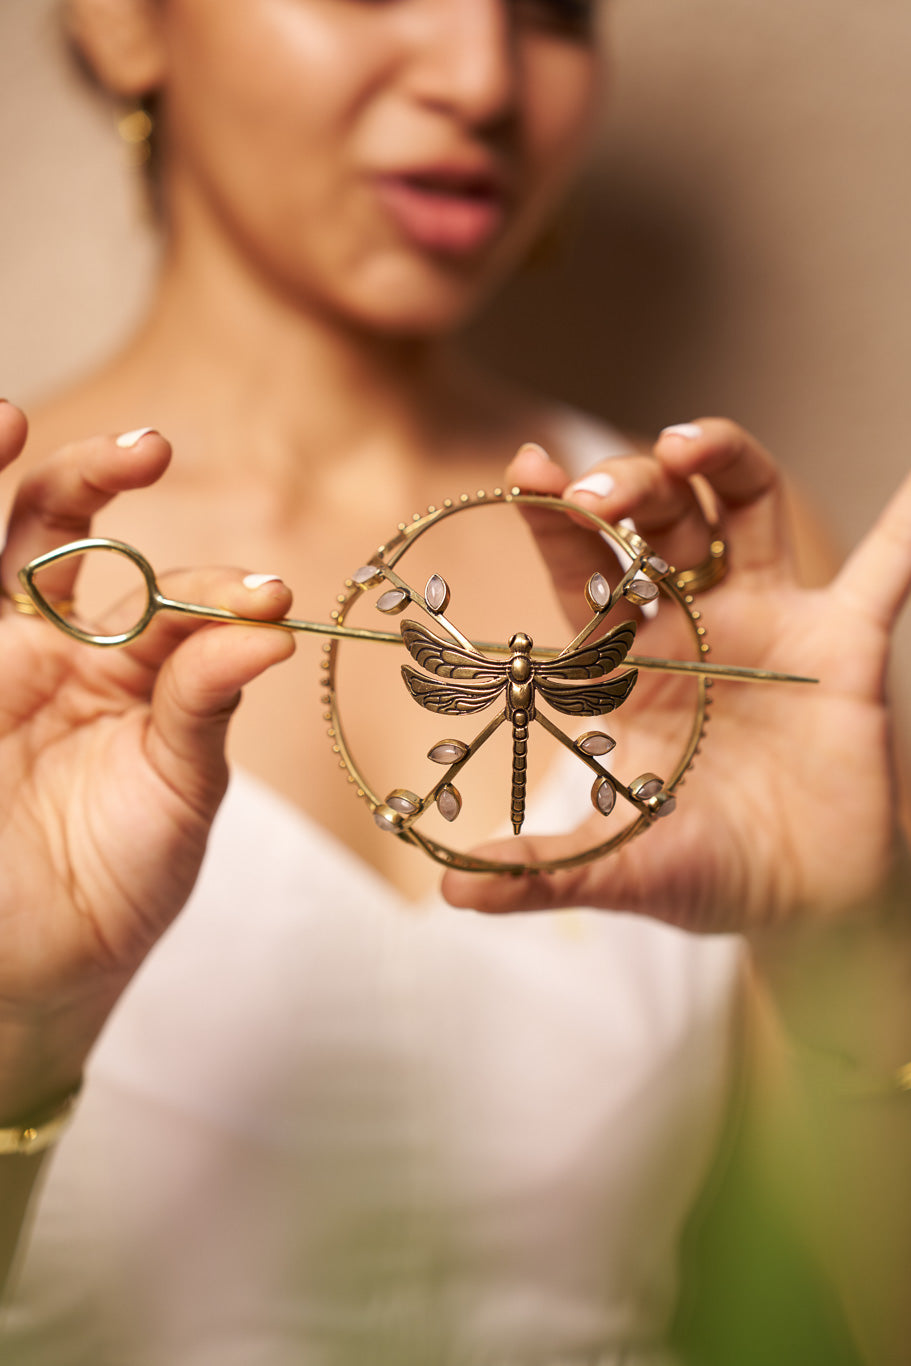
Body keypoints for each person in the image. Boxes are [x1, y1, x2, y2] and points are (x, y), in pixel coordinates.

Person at [0, 1, 909, 1362]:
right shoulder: (20, 602)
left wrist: (848, 948)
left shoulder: (729, 593)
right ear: (126, 20)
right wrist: (16, 1044)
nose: (485, 76)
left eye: (553, 7)